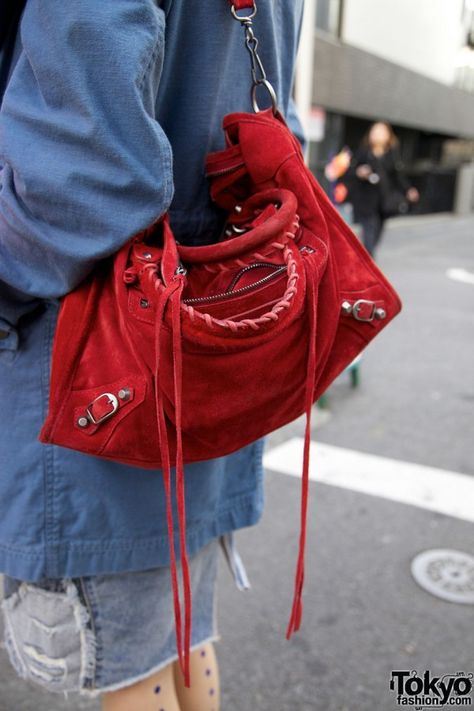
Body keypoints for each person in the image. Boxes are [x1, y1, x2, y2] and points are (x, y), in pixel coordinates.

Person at [0, 1, 305, 709]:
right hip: (206, 346)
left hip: (97, 371)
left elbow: (84, 186)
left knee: (134, 665)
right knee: (178, 637)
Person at [346, 121, 419, 257]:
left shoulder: (392, 155)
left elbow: (398, 177)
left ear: (388, 136)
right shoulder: (363, 152)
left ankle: (365, 261)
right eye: (375, 131)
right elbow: (350, 171)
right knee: (369, 237)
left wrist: (409, 190)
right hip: (365, 202)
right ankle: (368, 266)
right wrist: (359, 172)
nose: (377, 134)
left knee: (375, 237)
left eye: (381, 131)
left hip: (384, 203)